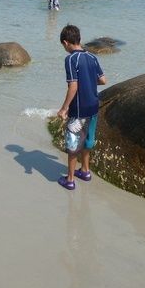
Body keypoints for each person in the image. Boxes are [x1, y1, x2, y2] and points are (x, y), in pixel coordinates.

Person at [56, 24, 106, 190]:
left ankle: (70, 180)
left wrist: (64, 109)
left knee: (73, 144)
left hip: (79, 110)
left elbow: (73, 86)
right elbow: (103, 80)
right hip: (93, 106)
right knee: (88, 140)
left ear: (65, 42)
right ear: (79, 39)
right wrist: (89, 81)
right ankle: (85, 171)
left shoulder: (70, 59)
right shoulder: (92, 57)